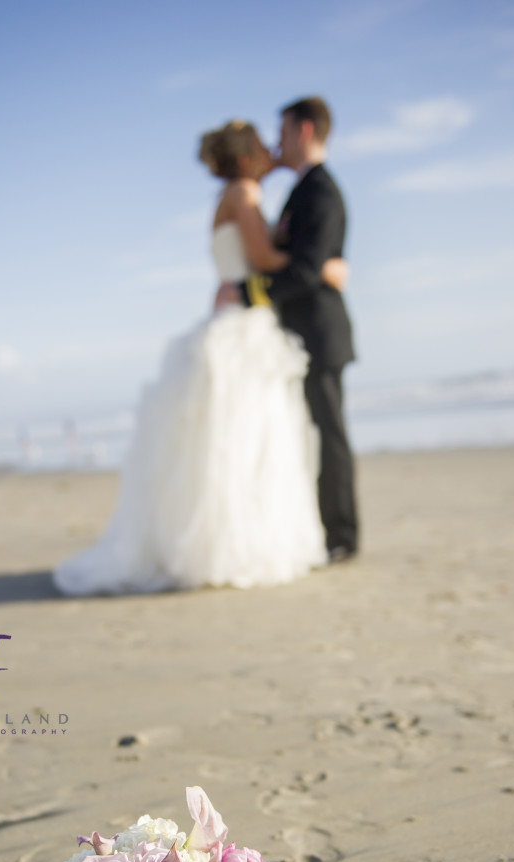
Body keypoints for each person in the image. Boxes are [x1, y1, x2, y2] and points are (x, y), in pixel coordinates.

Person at [52, 121, 347, 596]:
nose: (273, 147)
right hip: (242, 325)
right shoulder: (244, 193)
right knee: (243, 439)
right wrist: (327, 265)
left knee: (240, 438)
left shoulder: (237, 192)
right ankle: (234, 546)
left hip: (242, 318)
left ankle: (237, 542)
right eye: (263, 144)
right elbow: (267, 258)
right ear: (248, 156)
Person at [219, 97, 358, 562]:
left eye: (281, 134)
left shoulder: (320, 190)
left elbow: (302, 268)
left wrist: (246, 292)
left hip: (320, 333)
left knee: (329, 435)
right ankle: (323, 531)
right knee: (304, 432)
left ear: (302, 131)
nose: (276, 144)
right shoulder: (301, 189)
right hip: (296, 335)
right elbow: (309, 264)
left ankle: (342, 537)